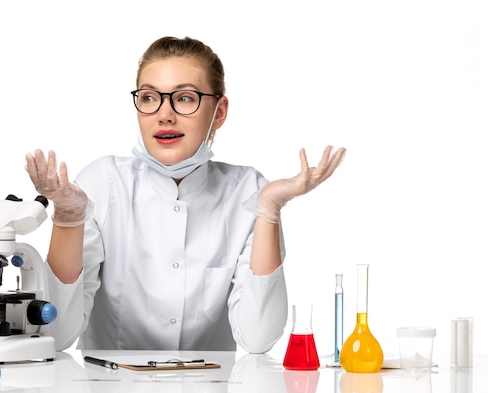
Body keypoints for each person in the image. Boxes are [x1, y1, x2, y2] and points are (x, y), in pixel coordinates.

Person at [25, 36, 345, 353]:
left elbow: (258, 339)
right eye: (150, 98)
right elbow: (58, 334)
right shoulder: (102, 183)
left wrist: (269, 209)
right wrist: (68, 218)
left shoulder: (248, 192)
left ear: (219, 112)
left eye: (185, 98)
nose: (164, 114)